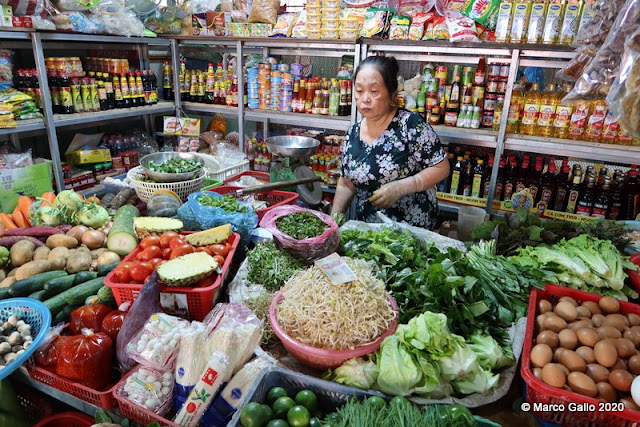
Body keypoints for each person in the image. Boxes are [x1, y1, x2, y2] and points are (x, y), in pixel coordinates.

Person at [331, 56, 450, 230]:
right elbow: (346, 183)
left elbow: (441, 167)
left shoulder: (410, 125)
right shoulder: (353, 133)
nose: (365, 99)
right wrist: (334, 221)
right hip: (368, 234)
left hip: (411, 232)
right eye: (359, 91)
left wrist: (402, 187)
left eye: (374, 91)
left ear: (392, 94)